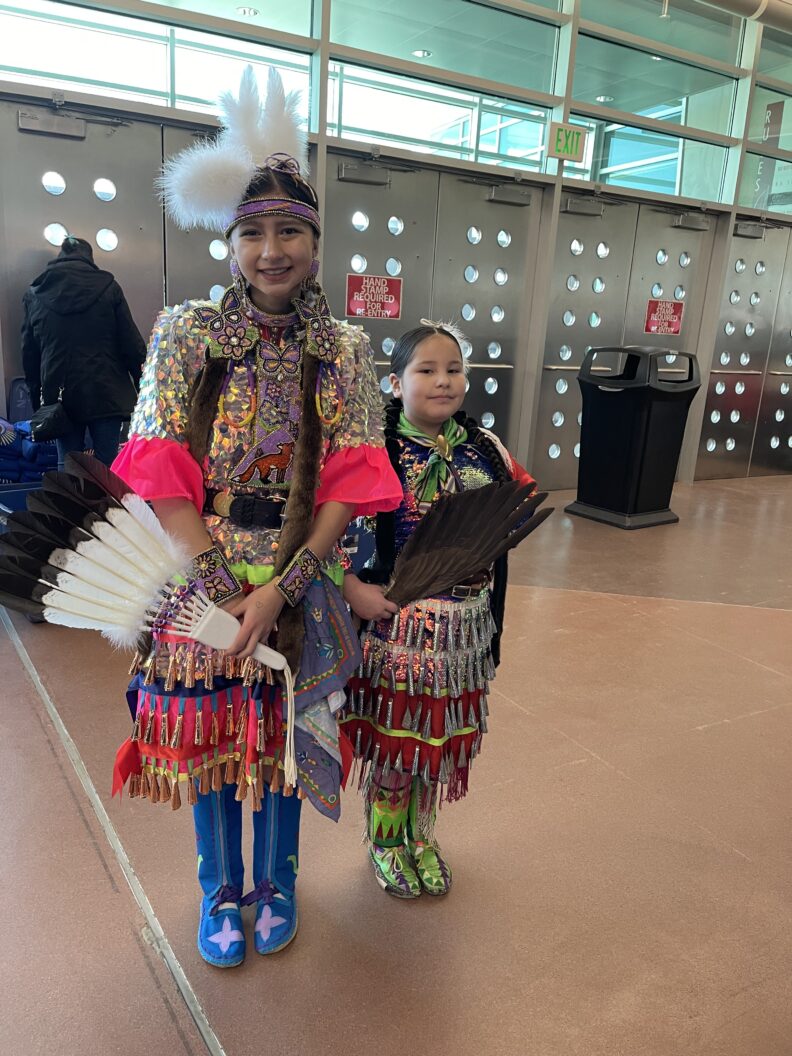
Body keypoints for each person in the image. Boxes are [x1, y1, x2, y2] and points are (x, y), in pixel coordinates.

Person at [110, 67, 401, 967]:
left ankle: (277, 884)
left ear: (314, 244)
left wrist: (282, 589)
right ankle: (217, 892)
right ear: (230, 242)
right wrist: (218, 586)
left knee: (278, 733)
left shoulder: (345, 347)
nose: (271, 249)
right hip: (200, 564)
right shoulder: (186, 333)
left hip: (299, 566)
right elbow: (159, 465)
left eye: (289, 231)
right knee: (207, 739)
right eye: (254, 232)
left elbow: (352, 480)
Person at [341, 321, 536, 899]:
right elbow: (335, 533)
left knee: (442, 739)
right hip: (400, 629)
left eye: (453, 370)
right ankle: (385, 841)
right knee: (400, 740)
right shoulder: (375, 449)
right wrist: (353, 589)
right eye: (426, 370)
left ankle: (422, 838)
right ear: (396, 383)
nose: (443, 381)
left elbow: (519, 505)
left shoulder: (487, 448)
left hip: (466, 629)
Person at [21, 235, 146, 469]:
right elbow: (132, 344)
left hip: (59, 393)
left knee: (68, 464)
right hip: (106, 391)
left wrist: (37, 399)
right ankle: (110, 506)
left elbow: (29, 353)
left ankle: (71, 505)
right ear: (89, 257)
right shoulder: (108, 287)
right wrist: (144, 388)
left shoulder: (35, 293)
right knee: (109, 465)